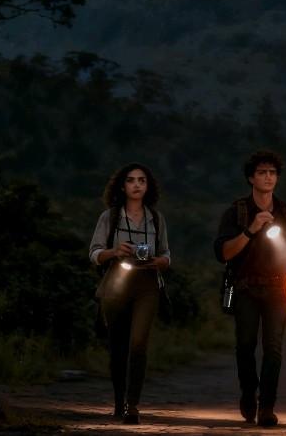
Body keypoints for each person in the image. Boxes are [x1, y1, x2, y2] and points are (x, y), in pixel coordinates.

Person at [214, 149, 286, 427]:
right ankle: (248, 393)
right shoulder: (237, 212)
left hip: (279, 290)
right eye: (262, 172)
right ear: (251, 178)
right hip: (245, 288)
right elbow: (224, 253)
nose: (268, 177)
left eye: (272, 173)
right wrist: (251, 229)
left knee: (273, 349)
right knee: (245, 345)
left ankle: (267, 406)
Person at [89, 163, 170, 425]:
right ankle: (118, 400)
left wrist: (160, 261)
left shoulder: (155, 218)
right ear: (122, 186)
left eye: (142, 180)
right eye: (131, 180)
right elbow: (94, 253)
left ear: (148, 186)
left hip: (146, 282)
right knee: (118, 346)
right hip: (116, 282)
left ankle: (132, 405)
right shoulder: (110, 217)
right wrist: (115, 252)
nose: (137, 185)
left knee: (138, 343)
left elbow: (167, 253)